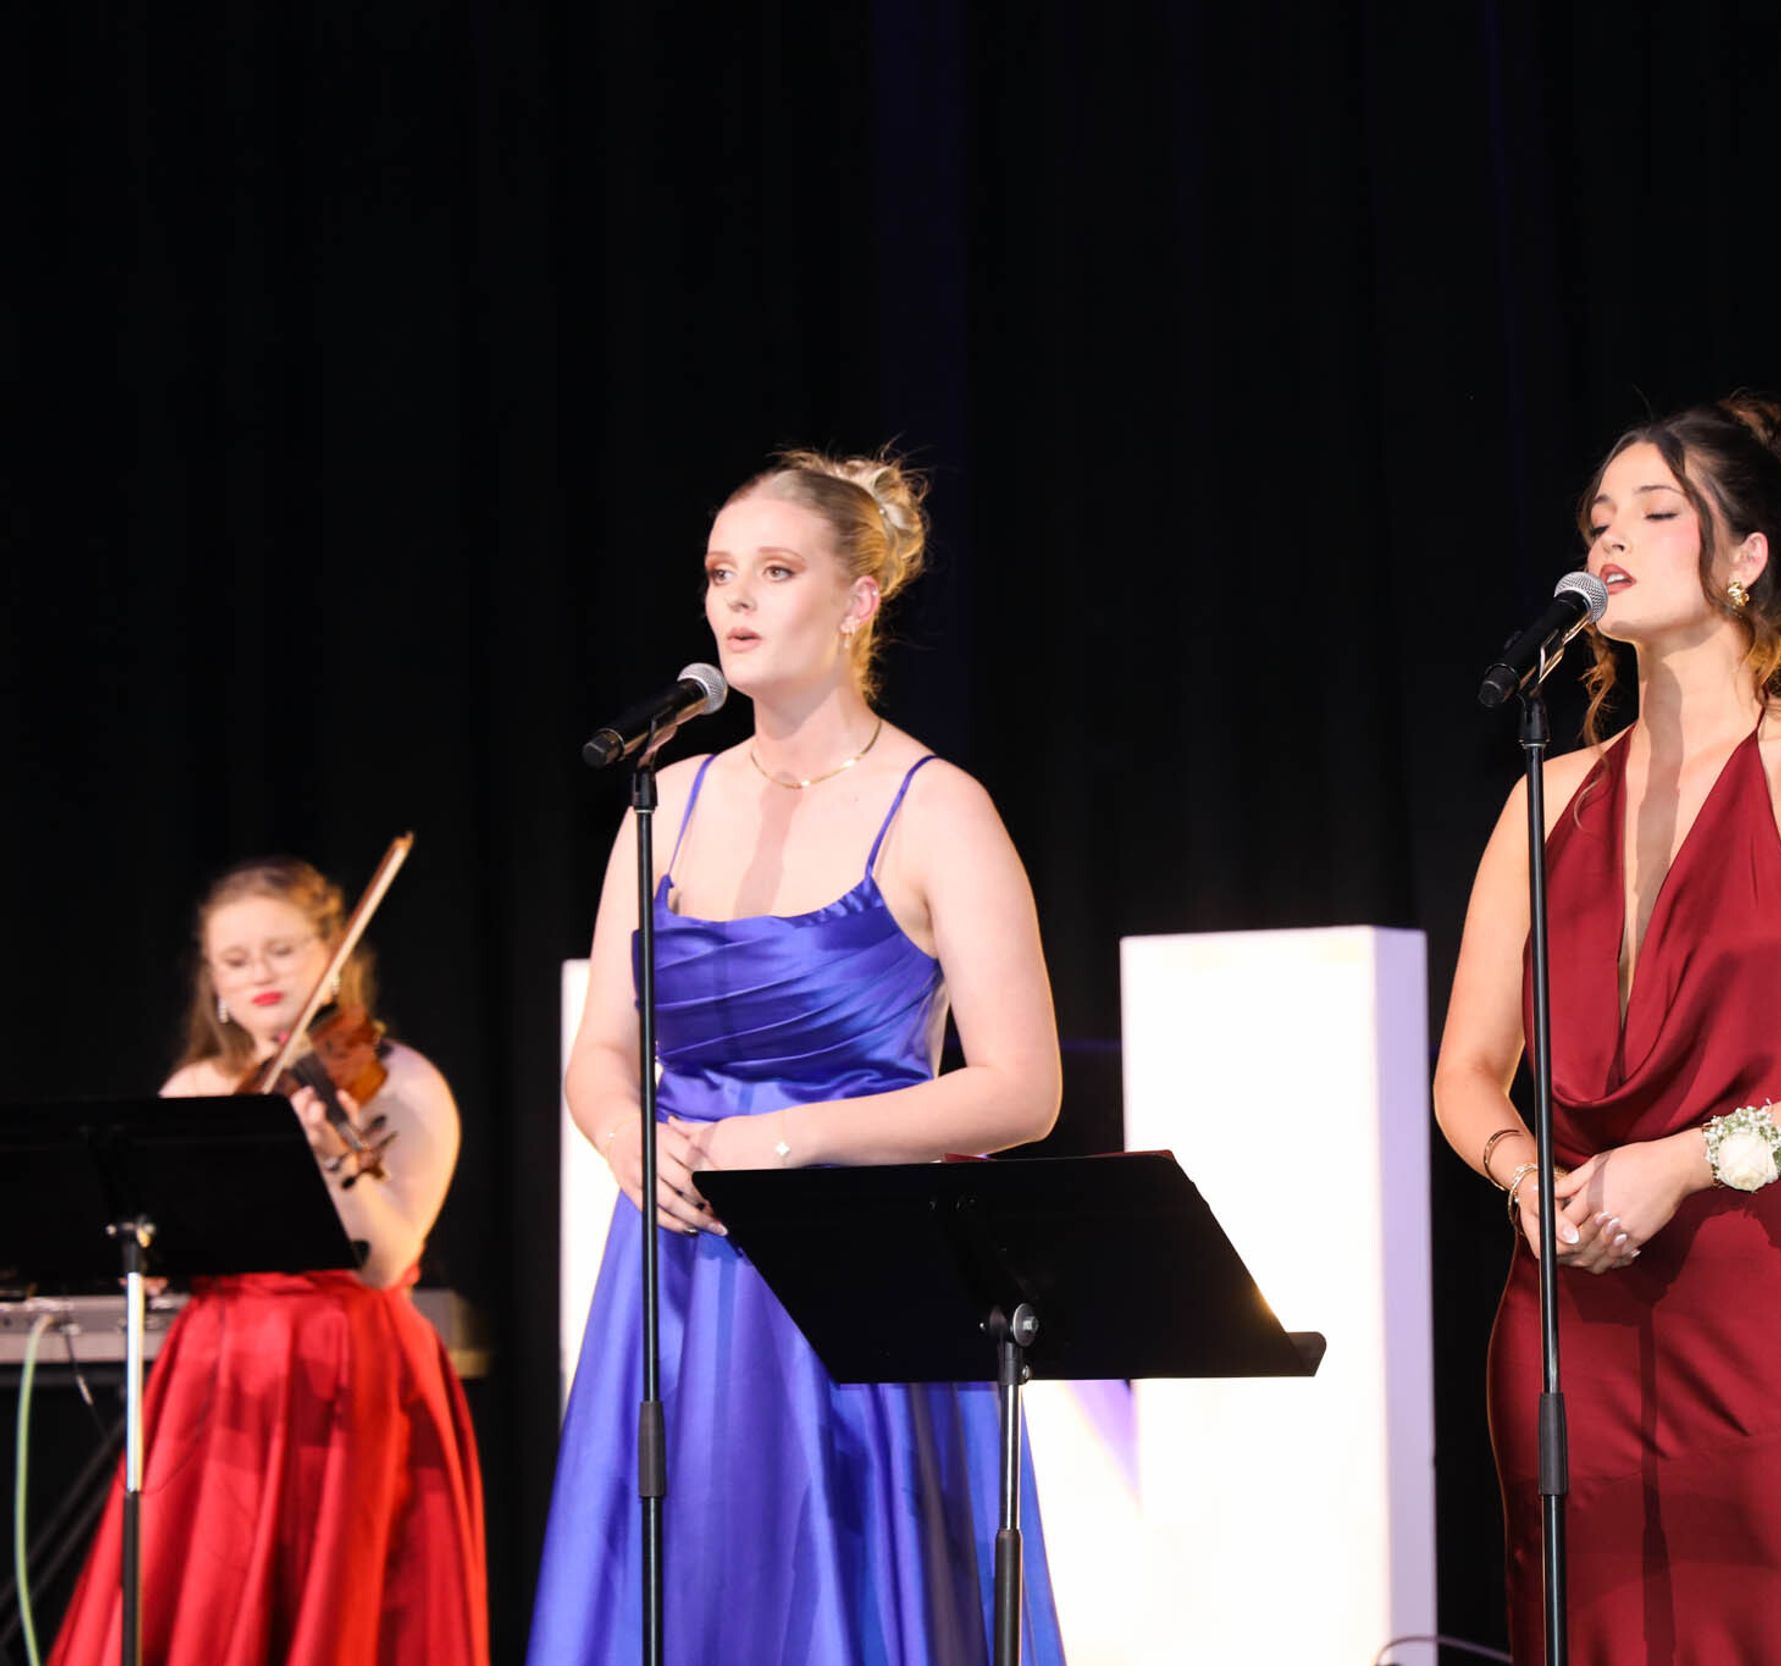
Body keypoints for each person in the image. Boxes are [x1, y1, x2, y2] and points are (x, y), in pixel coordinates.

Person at [1434, 396, 1781, 1663]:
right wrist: (1525, 1176)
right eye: (1597, 519)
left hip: (1769, 1317)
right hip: (1572, 1312)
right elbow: (1468, 1069)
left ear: (1745, 555)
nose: (1609, 537)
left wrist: (1684, 1160)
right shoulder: (1545, 793)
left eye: (1654, 511)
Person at [529, 450, 1067, 1664]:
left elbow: (1023, 1088)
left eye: (776, 571)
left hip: (855, 1263)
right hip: (677, 1270)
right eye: (720, 572)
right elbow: (602, 1045)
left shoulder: (938, 807)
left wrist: (787, 1139)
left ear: (858, 599)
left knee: (844, 1601)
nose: (737, 599)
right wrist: (621, 1135)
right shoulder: (665, 797)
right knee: (681, 1591)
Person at [50, 857, 487, 1666]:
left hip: (352, 1364)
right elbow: (169, 1247)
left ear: (333, 954)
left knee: (345, 1601)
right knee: (206, 1595)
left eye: (281, 951)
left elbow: (386, 1263)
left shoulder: (399, 1082)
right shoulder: (196, 1088)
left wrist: (335, 1158)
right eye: (236, 959)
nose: (260, 974)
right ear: (213, 981)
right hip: (221, 1368)